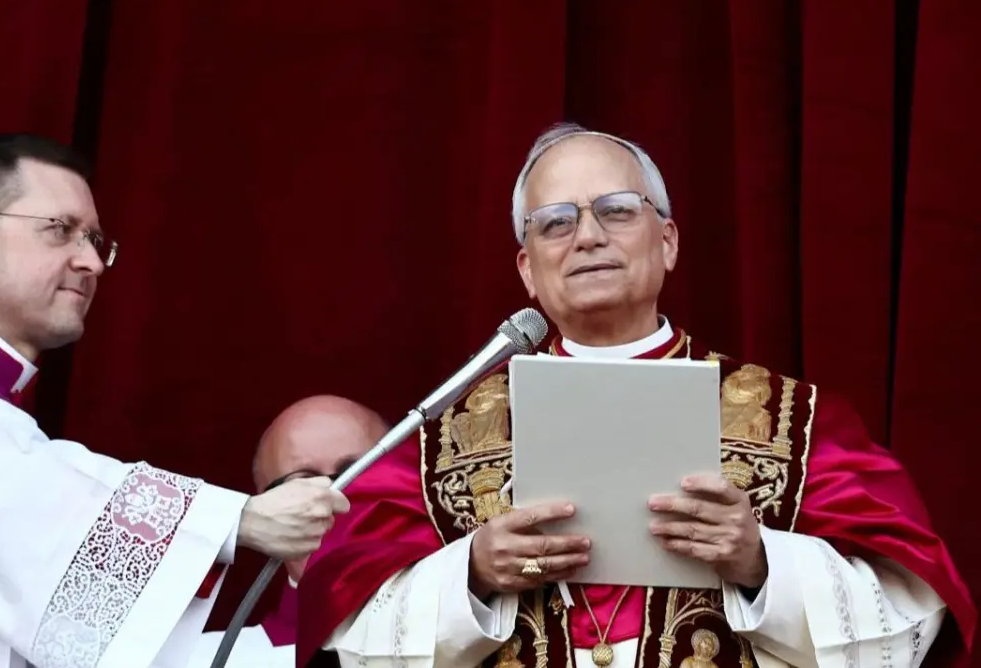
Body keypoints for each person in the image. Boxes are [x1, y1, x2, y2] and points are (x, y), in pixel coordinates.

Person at [295, 123, 977, 668]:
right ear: (527, 269)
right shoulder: (443, 438)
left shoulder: (790, 419)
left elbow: (910, 614)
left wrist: (761, 560)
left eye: (617, 210)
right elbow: (345, 626)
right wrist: (470, 575)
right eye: (556, 221)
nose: (588, 235)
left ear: (668, 241)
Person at [0, 133, 350, 668]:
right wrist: (237, 519)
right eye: (60, 230)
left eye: (96, 241)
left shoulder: (8, 434)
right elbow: (7, 489)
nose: (92, 262)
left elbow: (128, 649)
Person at [187, 395, 388, 668]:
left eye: (358, 472)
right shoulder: (196, 660)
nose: (335, 497)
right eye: (304, 482)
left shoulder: (461, 627)